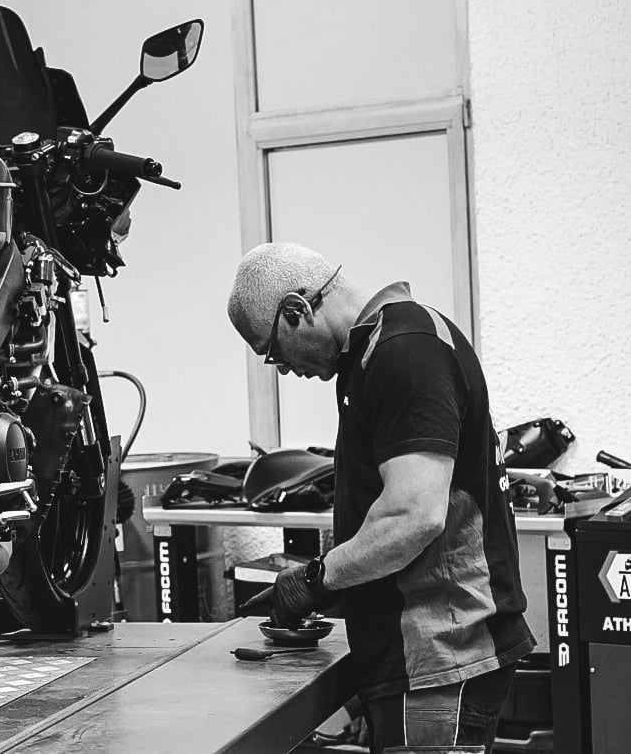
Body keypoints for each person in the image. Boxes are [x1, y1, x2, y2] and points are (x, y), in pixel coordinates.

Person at [226, 243, 535, 754]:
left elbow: (413, 516)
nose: (282, 369)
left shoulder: (406, 351)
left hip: (442, 652)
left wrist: (316, 579)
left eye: (274, 351)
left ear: (297, 310)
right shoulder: (372, 355)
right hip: (413, 655)